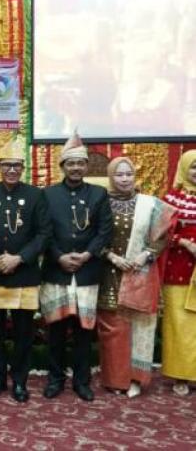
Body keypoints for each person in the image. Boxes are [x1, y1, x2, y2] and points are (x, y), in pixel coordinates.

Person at [0, 136, 51, 403]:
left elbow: (43, 234)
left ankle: (19, 381)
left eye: (17, 165)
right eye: (7, 165)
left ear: (23, 168)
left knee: (23, 334)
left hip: (24, 274)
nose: (12, 170)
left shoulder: (36, 195)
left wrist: (19, 258)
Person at [40, 130, 112, 402]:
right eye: (71, 163)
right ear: (62, 166)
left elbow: (104, 232)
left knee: (84, 331)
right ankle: (55, 380)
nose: (76, 168)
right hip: (56, 271)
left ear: (86, 166)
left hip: (87, 271)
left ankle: (82, 381)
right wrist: (59, 256)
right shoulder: (48, 195)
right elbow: (43, 231)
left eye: (80, 163)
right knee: (56, 330)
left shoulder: (99, 194)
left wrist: (86, 255)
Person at [97, 157, 174, 398]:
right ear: (111, 177)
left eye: (128, 174)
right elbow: (91, 236)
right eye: (119, 174)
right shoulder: (100, 203)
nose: (124, 179)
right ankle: (115, 379)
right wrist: (111, 257)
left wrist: (146, 255)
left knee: (140, 327)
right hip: (110, 272)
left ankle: (136, 379)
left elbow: (164, 234)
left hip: (141, 272)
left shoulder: (149, 204)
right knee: (113, 328)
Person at [161, 149, 196, 396]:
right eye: (193, 166)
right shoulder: (171, 200)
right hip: (178, 273)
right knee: (179, 325)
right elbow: (159, 234)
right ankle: (181, 376)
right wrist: (184, 243)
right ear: (184, 168)